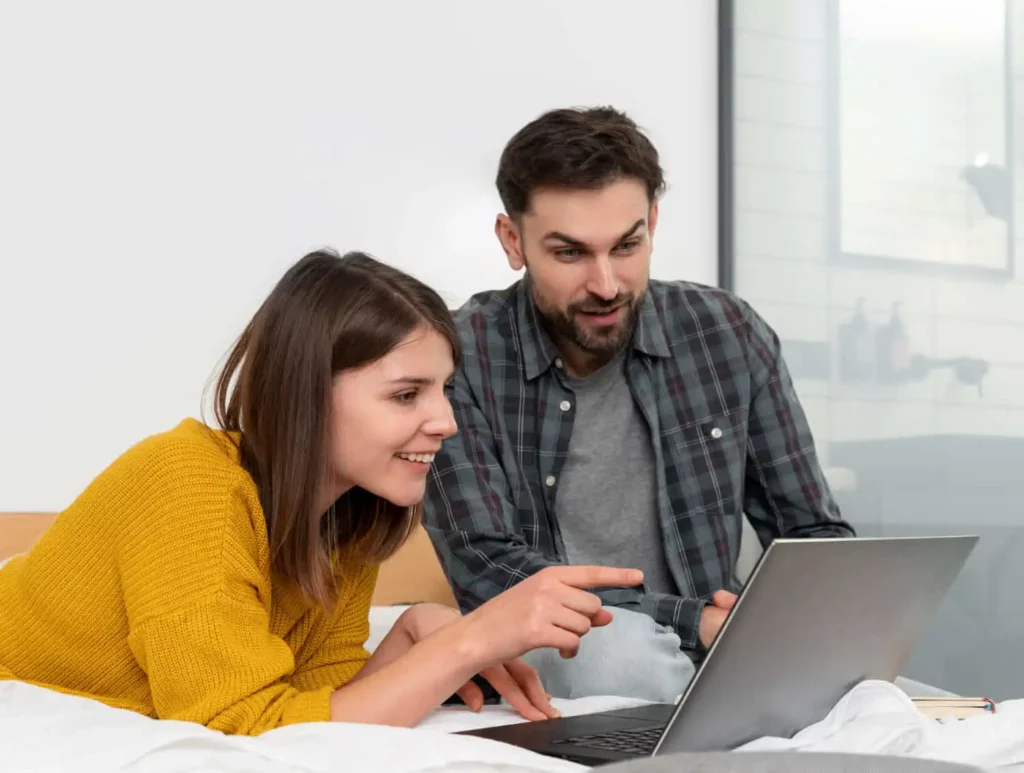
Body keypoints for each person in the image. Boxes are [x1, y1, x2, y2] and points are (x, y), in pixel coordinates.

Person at [0, 249, 643, 734]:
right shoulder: (186, 484)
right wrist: (469, 642)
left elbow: (318, 711)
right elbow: (242, 731)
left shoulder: (344, 523)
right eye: (405, 394)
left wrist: (415, 632)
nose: (446, 420)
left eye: (444, 389)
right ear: (307, 393)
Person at [422, 107, 856, 702]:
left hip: (718, 639)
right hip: (564, 638)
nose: (606, 284)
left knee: (891, 693)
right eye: (570, 254)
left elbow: (809, 530)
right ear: (512, 240)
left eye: (627, 246)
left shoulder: (725, 331)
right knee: (621, 660)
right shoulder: (458, 353)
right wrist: (691, 620)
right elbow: (487, 565)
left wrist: (791, 622)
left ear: (652, 221)